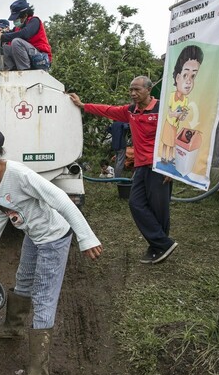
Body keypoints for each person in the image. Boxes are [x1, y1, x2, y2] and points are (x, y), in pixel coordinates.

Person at [0, 128, 102, 375]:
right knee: (23, 279)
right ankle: (13, 327)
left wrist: (86, 237)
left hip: (53, 238)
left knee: (44, 296)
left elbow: (61, 199)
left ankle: (39, 370)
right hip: (32, 235)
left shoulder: (20, 175)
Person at [70, 76, 179, 264]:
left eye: (137, 89)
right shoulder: (131, 111)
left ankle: (158, 247)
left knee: (159, 209)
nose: (133, 93)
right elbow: (107, 110)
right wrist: (82, 105)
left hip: (160, 166)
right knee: (135, 203)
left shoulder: (162, 109)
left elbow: (176, 136)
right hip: (141, 166)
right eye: (131, 90)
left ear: (149, 89)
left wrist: (171, 167)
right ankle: (163, 243)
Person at [161, 44, 203, 164]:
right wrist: (174, 114)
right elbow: (169, 110)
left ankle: (171, 158)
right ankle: (164, 157)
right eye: (185, 75)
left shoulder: (185, 100)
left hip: (175, 125)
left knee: (173, 141)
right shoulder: (171, 95)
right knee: (166, 141)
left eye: (193, 76)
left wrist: (183, 114)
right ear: (178, 77)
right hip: (169, 122)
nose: (189, 81)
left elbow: (183, 115)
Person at [0, 0, 52, 71]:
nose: (15, 21)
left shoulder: (34, 21)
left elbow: (25, 34)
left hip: (41, 58)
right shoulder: (17, 28)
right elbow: (10, 34)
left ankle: (24, 71)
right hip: (28, 57)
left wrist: (4, 36)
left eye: (17, 18)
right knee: (5, 48)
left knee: (16, 42)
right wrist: (2, 34)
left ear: (25, 15)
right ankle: (13, 69)